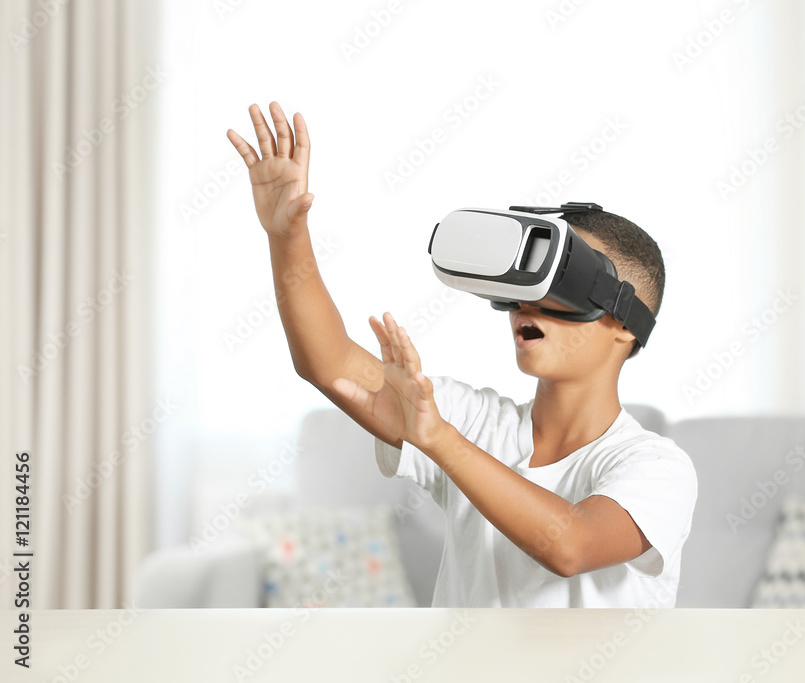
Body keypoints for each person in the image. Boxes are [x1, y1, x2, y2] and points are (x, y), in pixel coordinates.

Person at [227, 101, 698, 608]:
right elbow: (328, 363)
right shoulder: (477, 424)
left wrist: (442, 442)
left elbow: (570, 544)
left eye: (563, 286)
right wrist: (286, 236)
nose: (527, 307)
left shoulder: (656, 467)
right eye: (524, 286)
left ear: (623, 325)